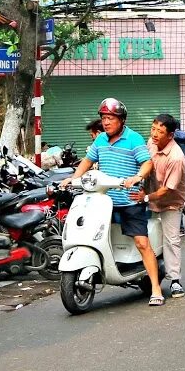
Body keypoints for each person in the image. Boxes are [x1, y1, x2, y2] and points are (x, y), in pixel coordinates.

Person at [72, 98, 165, 306]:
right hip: (103, 202)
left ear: (121, 120)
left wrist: (137, 177)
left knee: (142, 243)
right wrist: (73, 178)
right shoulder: (100, 140)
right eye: (104, 118)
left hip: (129, 202)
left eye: (110, 118)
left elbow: (147, 163)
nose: (106, 122)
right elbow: (87, 161)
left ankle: (156, 289)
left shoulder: (134, 139)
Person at [147, 114, 185, 297]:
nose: (155, 134)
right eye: (153, 128)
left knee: (171, 240)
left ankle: (175, 280)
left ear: (170, 135)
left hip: (170, 202)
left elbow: (167, 190)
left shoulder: (176, 157)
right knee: (145, 237)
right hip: (148, 197)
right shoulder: (150, 143)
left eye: (160, 131)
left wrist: (146, 198)